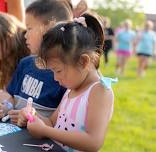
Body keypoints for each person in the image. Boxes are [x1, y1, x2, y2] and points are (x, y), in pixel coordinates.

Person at [18, 13, 114, 151]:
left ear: (83, 61)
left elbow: (93, 142)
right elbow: (51, 123)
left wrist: (45, 131)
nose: (55, 78)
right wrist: (32, 116)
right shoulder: (72, 88)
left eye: (58, 71)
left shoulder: (99, 91)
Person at [0, 0, 73, 120]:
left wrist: (29, 118)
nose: (25, 35)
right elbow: (12, 99)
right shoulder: (25, 63)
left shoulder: (63, 76)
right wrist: (4, 108)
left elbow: (56, 122)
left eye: (30, 28)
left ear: (50, 30)